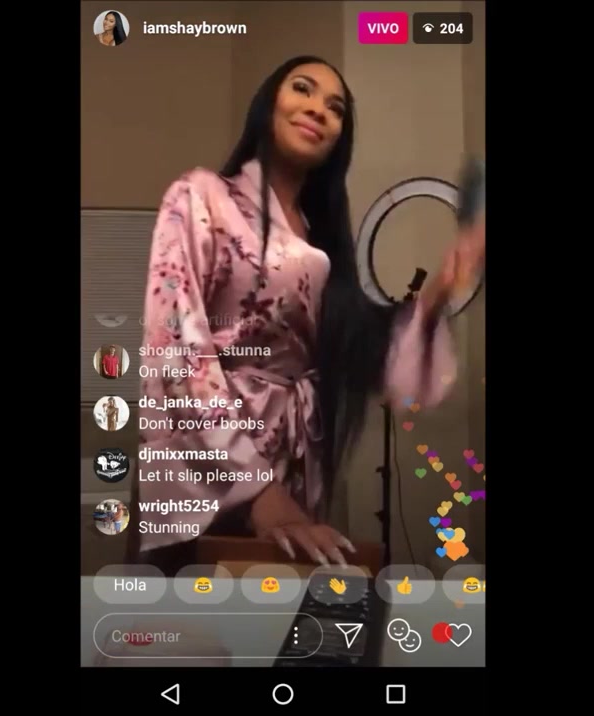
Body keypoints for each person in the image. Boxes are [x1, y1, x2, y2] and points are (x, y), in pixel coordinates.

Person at [129, 56, 485, 573]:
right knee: (198, 612)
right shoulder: (201, 196)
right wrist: (258, 493)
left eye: (336, 108)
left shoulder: (323, 247)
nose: (319, 109)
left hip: (292, 476)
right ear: (267, 104)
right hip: (205, 468)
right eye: (303, 89)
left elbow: (370, 363)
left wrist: (436, 296)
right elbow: (176, 345)